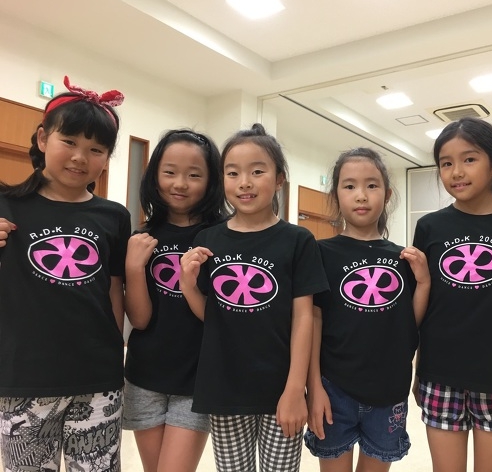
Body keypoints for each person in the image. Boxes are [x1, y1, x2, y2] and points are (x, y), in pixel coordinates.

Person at [179, 123, 329, 472]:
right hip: (223, 387)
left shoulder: (298, 240)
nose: (244, 182)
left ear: (279, 179)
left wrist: (296, 389)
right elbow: (212, 315)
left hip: (280, 388)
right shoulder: (208, 239)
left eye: (257, 171)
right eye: (233, 173)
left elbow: (303, 317)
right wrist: (187, 284)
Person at [0, 76, 130, 471]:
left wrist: (116, 354)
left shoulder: (114, 216)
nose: (80, 157)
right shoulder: (5, 205)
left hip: (98, 377)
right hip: (23, 376)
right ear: (43, 138)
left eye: (96, 149)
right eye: (69, 141)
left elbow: (114, 291)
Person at [412, 117, 492, 472]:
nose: (456, 171)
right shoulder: (429, 226)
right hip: (440, 372)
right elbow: (426, 308)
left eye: (469, 159)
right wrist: (418, 370)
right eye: (446, 163)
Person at [303, 148, 429, 472]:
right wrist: (313, 387)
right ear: (336, 195)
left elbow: (409, 326)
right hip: (333, 389)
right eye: (350, 186)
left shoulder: (403, 258)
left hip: (389, 389)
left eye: (372, 185)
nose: (361, 195)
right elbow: (312, 322)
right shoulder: (319, 253)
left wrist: (424, 282)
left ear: (387, 195)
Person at [122, 129, 225, 471]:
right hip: (144, 376)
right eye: (169, 172)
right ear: (154, 176)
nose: (180, 183)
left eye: (194, 175)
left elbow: (222, 316)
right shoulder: (142, 236)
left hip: (197, 379)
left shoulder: (222, 237)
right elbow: (139, 320)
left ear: (211, 181)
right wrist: (134, 268)